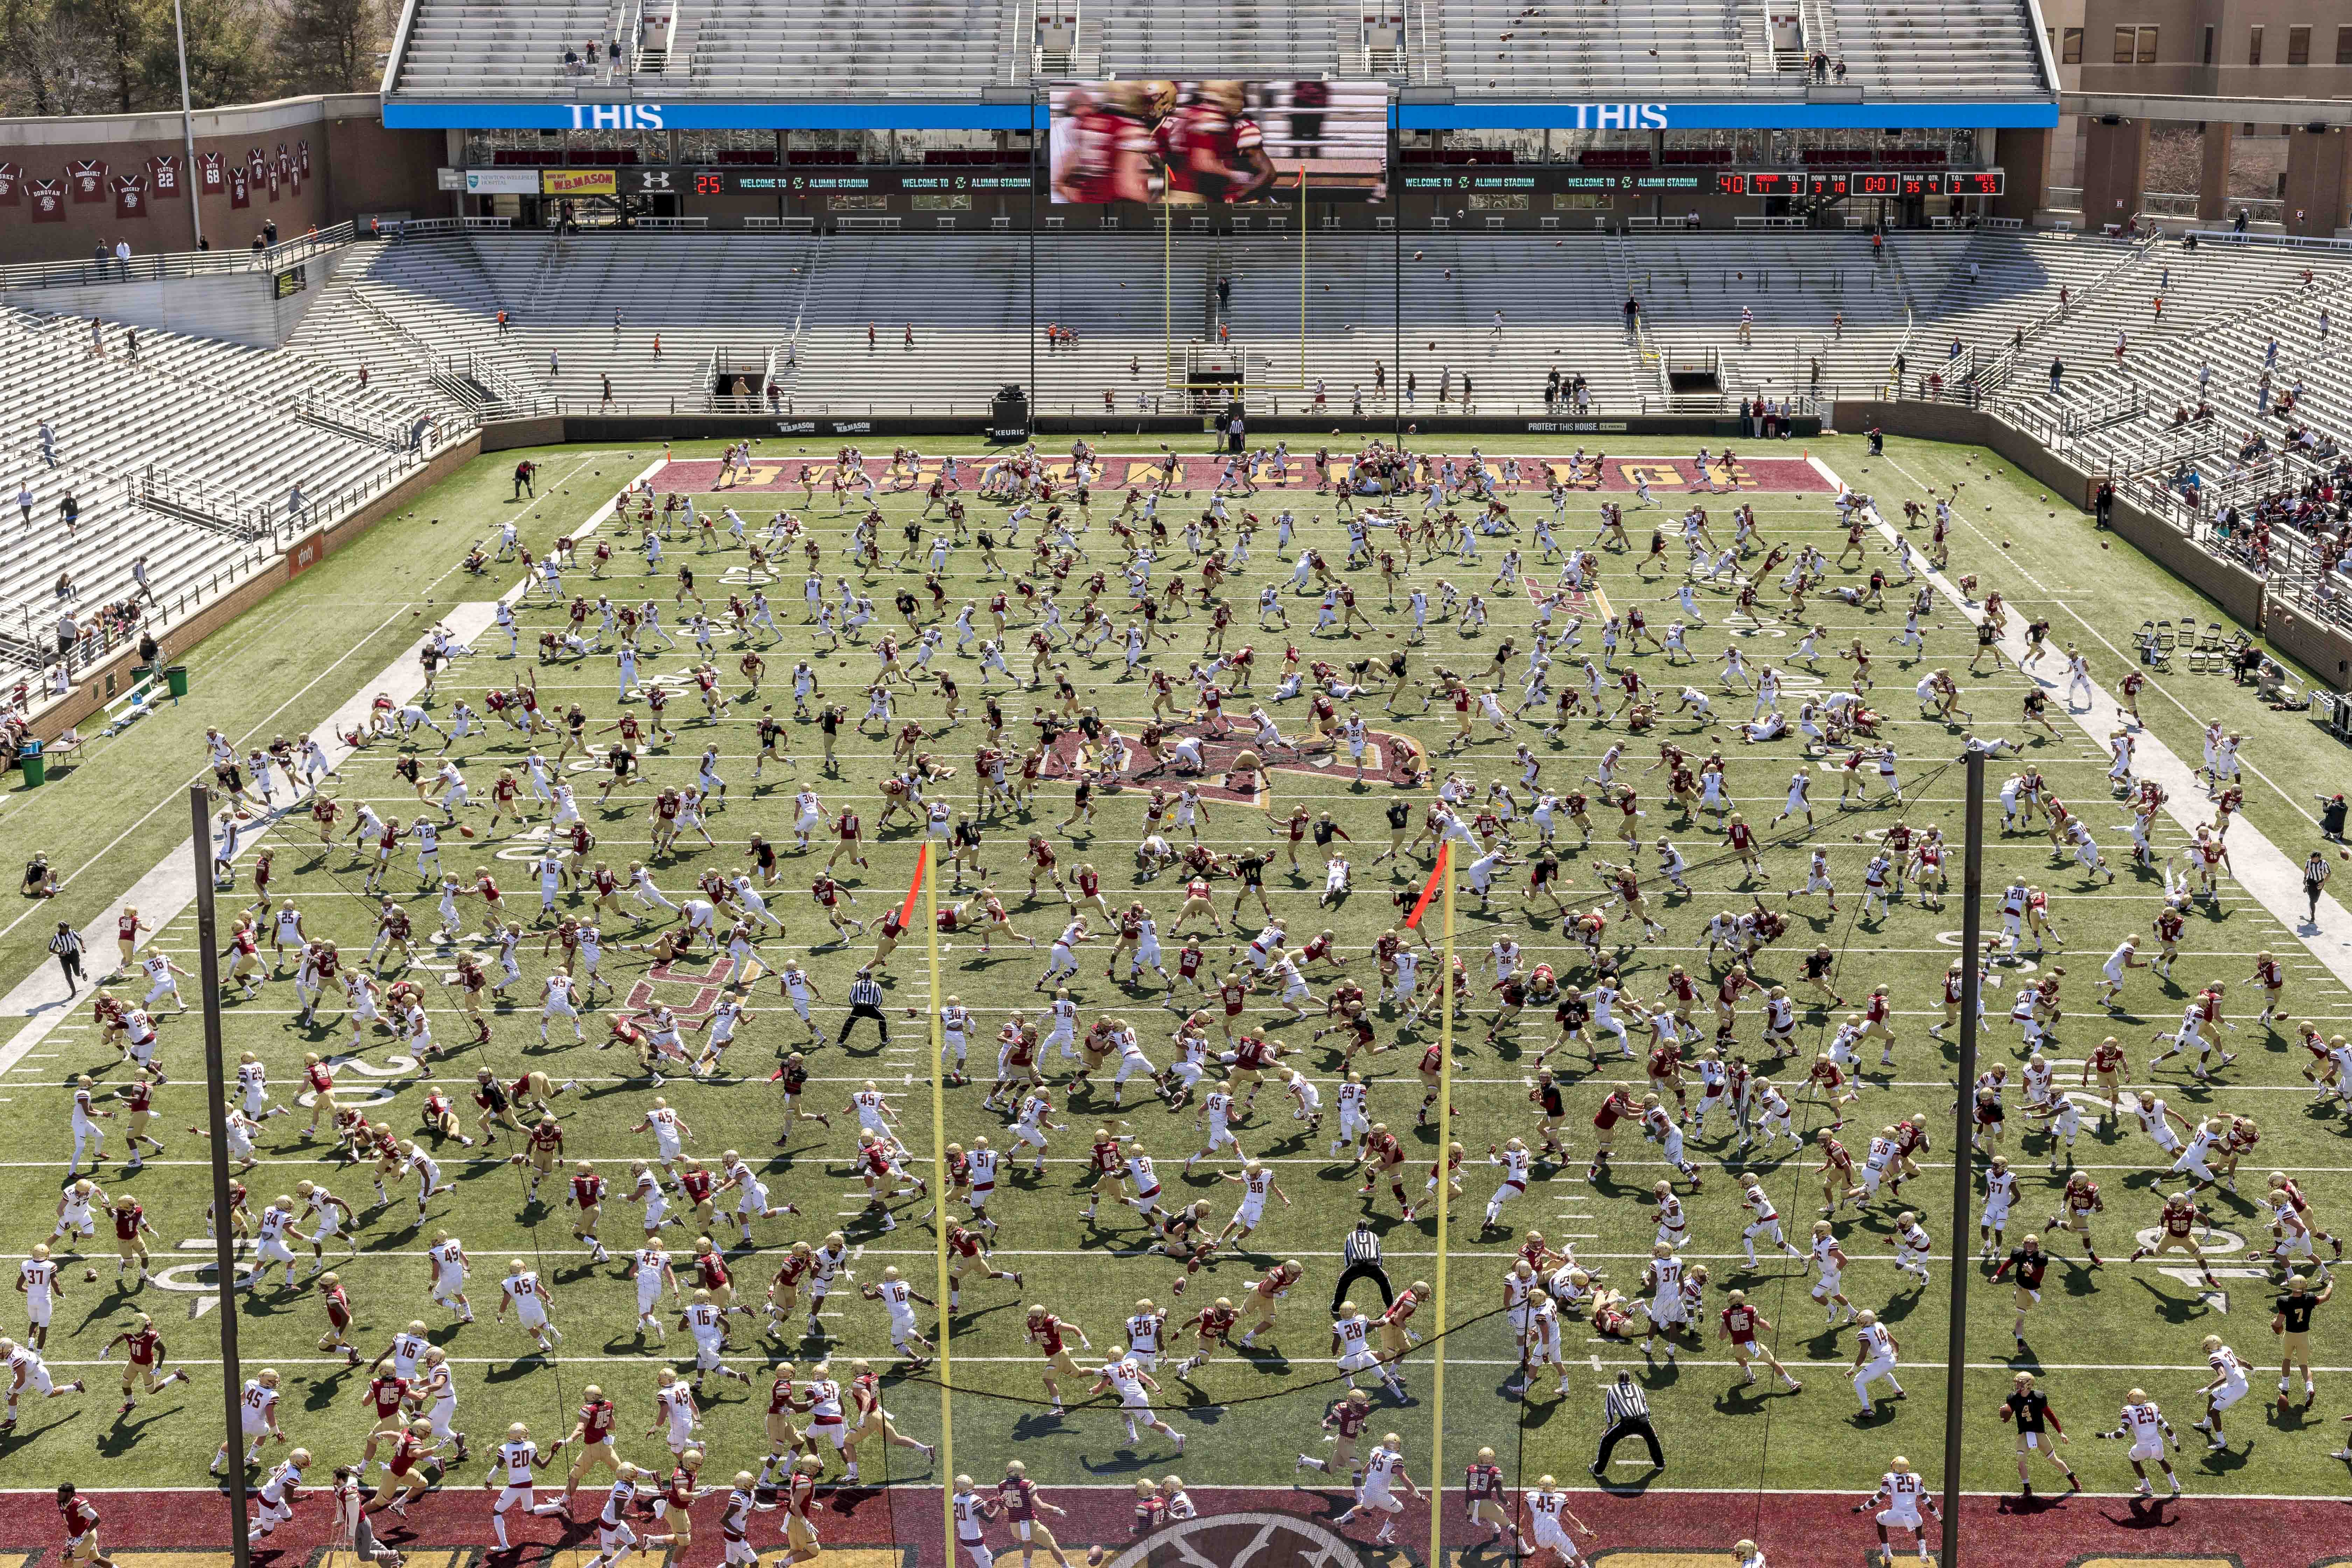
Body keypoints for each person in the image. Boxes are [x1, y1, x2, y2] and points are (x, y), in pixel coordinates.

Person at [1591, 1369, 1661, 1477]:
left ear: (1618, 1380)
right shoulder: (1638, 1388)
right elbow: (1646, 1408)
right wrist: (1649, 1425)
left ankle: (1598, 1471)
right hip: (1643, 1421)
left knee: (1606, 1441)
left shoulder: (1612, 1389)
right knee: (1653, 1440)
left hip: (1627, 1423)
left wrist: (1609, 1427)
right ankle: (1660, 1464)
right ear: (1630, 1380)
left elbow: (1609, 1409)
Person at [1332, 1218, 1393, 1312]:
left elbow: (1347, 1254)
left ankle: (1335, 1308)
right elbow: (1379, 1254)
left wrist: (1347, 1269)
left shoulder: (1351, 1236)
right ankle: (1391, 1308)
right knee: (1385, 1284)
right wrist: (1380, 1268)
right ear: (1367, 1229)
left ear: (1357, 1229)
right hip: (1373, 1265)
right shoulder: (1374, 1236)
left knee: (1343, 1283)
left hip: (1357, 1265)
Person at [48, 921, 85, 996]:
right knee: (68, 975)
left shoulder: (72, 932)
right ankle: (74, 992)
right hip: (64, 957)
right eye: (66, 928)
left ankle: (82, 971)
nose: (68, 929)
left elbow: (80, 939)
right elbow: (51, 949)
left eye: (68, 927)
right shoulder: (57, 937)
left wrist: (83, 948)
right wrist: (59, 953)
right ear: (61, 929)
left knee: (77, 974)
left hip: (74, 954)